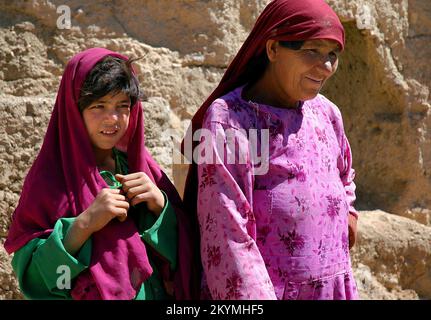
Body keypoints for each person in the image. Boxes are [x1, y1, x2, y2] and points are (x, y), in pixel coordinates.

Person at [183, 0, 359, 300]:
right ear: (274, 48)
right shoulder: (232, 120)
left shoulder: (326, 113)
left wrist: (348, 214)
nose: (327, 66)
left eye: (332, 55)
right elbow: (227, 233)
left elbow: (345, 174)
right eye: (312, 51)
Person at [4, 48, 199, 300]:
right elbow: (34, 282)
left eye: (123, 106)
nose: (113, 118)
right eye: (99, 106)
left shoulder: (143, 170)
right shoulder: (50, 182)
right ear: (74, 110)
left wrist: (161, 208)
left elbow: (189, 256)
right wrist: (84, 224)